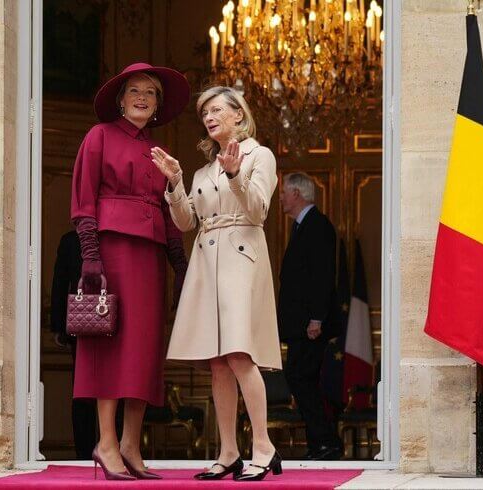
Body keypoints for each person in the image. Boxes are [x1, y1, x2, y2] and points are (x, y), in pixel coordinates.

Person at [152, 86, 282, 482]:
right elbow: (187, 222)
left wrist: (234, 174)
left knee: (240, 354)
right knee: (217, 360)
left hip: (242, 257)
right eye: (204, 112)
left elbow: (259, 210)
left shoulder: (260, 156)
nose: (208, 117)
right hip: (207, 261)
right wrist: (175, 183)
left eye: (215, 110)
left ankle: (263, 444)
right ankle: (229, 451)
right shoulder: (201, 171)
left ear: (238, 116)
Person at [70, 62, 189, 480]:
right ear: (120, 99)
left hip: (151, 258)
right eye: (134, 90)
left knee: (144, 349)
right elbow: (84, 198)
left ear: (157, 105)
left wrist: (180, 263)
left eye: (151, 92)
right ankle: (104, 442)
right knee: (112, 345)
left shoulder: (159, 150)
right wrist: (90, 255)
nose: (142, 97)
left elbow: (169, 210)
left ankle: (130, 445)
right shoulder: (99, 136)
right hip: (112, 252)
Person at [277, 172, 343, 460]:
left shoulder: (318, 225)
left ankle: (326, 442)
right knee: (300, 378)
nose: (280, 198)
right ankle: (321, 443)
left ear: (297, 194)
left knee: (301, 378)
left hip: (310, 326)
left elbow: (322, 276)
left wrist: (317, 318)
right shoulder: (302, 226)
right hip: (301, 324)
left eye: (283, 192)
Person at [49, 229, 97, 460]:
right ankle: (106, 449)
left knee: (83, 392)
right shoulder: (71, 240)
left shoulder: (70, 239)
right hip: (91, 322)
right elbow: (61, 281)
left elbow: (60, 282)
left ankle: (85, 454)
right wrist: (59, 325)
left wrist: (58, 326)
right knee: (93, 392)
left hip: (83, 322)